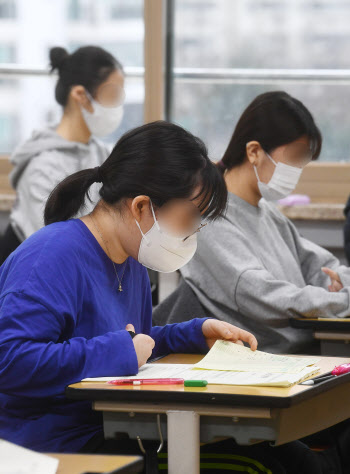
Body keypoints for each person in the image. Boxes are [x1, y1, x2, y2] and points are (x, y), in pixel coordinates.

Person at [0, 120, 260, 454]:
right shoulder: (52, 256)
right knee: (263, 462)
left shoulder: (130, 257)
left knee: (279, 452)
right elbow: (10, 359)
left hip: (114, 427)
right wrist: (118, 352)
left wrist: (194, 334)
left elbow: (135, 341)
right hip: (50, 444)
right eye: (190, 217)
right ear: (140, 207)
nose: (193, 231)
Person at [154, 91, 350, 355]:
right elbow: (263, 294)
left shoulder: (269, 214)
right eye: (294, 158)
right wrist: (341, 301)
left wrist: (340, 286)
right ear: (254, 151)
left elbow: (322, 267)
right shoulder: (209, 217)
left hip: (297, 354)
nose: (297, 170)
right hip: (259, 361)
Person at [0, 45, 125, 263]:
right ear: (80, 95)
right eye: (112, 94)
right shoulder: (42, 167)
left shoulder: (102, 153)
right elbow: (58, 248)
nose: (118, 106)